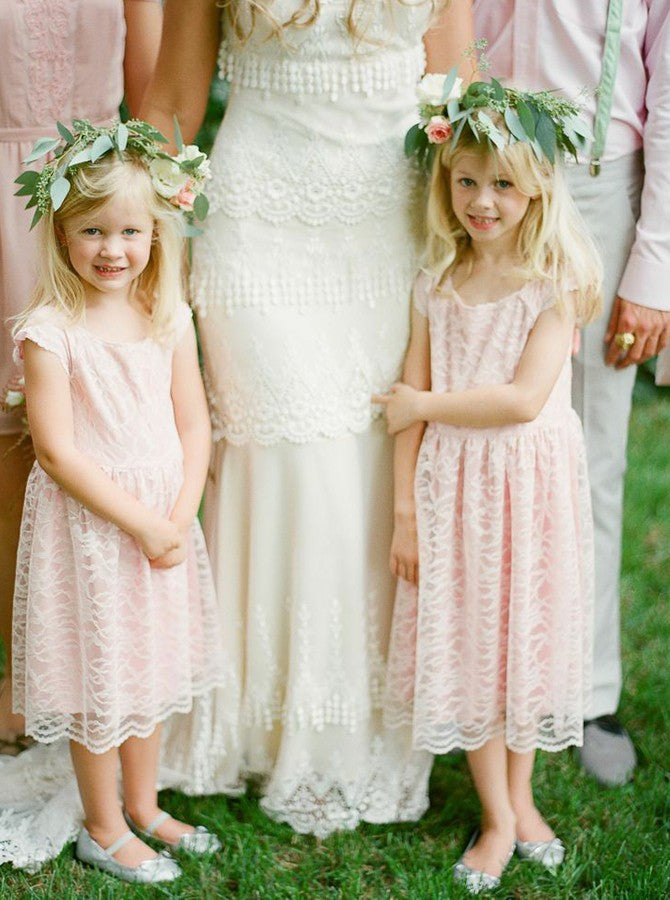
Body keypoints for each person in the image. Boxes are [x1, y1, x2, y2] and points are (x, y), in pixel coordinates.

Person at [139, 0, 474, 835]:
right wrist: (136, 236)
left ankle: (361, 727)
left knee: (368, 458)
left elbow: (460, 86)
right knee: (293, 461)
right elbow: (170, 104)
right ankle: (260, 725)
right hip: (259, 227)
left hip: (389, 223)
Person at [376, 78, 602, 893]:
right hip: (456, 491)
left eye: (503, 183)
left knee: (525, 634)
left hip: (530, 485)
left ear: (538, 184)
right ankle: (497, 814)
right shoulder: (436, 283)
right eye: (466, 180)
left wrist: (426, 405)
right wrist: (404, 512)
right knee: (476, 640)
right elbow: (405, 413)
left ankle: (524, 795)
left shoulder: (556, 281)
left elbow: (522, 399)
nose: (482, 200)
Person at [7, 123, 223, 882]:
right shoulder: (49, 333)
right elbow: (60, 454)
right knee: (99, 676)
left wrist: (178, 516)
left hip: (162, 524)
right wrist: (141, 524)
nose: (112, 249)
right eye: (92, 231)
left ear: (155, 233)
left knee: (150, 668)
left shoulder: (165, 318)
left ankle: (145, 802)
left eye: (130, 231)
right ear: (61, 232)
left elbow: (195, 423)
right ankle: (102, 826)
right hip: (96, 535)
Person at [472, 0, 670, 787]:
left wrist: (653, 270)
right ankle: (470, 683)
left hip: (592, 190)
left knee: (589, 462)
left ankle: (587, 693)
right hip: (469, 187)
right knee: (459, 448)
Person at [0, 0, 163, 747]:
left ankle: (110, 667)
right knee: (12, 444)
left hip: (96, 206)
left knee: (93, 433)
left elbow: (153, 100)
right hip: (7, 200)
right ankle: (22, 673)